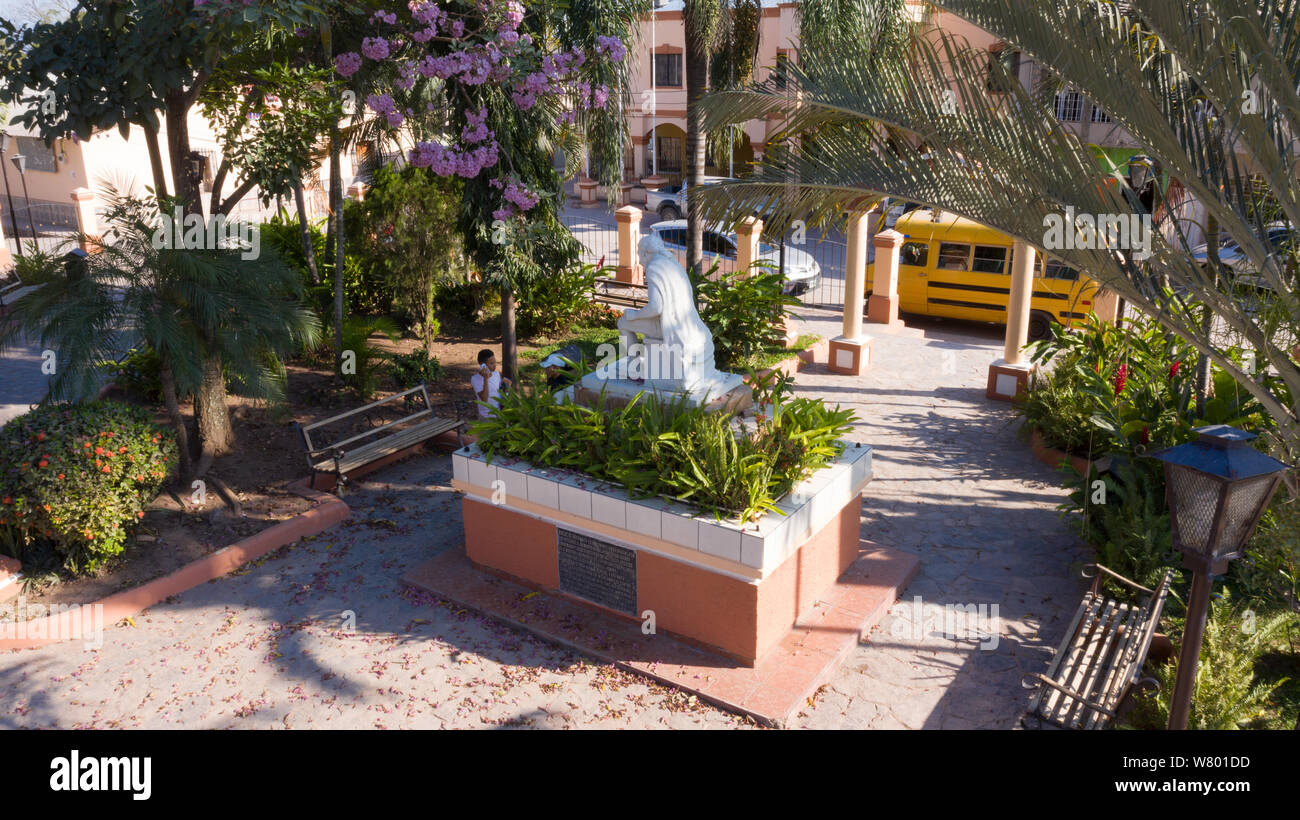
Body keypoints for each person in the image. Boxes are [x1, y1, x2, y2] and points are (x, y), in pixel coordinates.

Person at [471, 349, 511, 418]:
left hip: (499, 413)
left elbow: (501, 392)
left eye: (495, 362)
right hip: (486, 416)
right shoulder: (475, 379)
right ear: (482, 365)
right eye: (491, 363)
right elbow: (484, 399)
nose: (494, 365)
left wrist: (507, 387)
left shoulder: (496, 374)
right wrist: (485, 379)